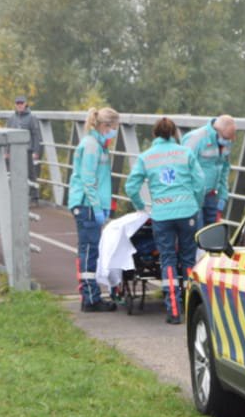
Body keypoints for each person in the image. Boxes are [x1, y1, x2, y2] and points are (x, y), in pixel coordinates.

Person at [124, 117, 205, 325]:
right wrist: (195, 204)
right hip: (187, 212)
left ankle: (174, 311)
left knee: (167, 260)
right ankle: (191, 306)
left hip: (162, 215)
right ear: (174, 133)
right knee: (188, 259)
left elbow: (131, 186)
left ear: (155, 134)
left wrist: (141, 206)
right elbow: (200, 182)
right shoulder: (185, 153)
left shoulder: (146, 157)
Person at [67, 106, 120, 312]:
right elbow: (88, 179)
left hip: (90, 204)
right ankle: (90, 298)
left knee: (89, 250)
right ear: (105, 126)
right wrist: (98, 208)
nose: (114, 132)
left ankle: (90, 295)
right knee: (89, 251)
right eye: (113, 127)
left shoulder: (98, 145)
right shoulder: (91, 146)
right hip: (87, 205)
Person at [181, 114, 235, 228]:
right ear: (217, 130)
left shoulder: (226, 141)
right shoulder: (195, 139)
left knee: (212, 231)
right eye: (226, 138)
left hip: (212, 195)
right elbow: (182, 168)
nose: (228, 141)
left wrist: (223, 196)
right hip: (194, 196)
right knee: (197, 231)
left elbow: (224, 170)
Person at [6, 95, 45, 204]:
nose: (19, 105)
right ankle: (16, 195)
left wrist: (36, 151)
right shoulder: (11, 118)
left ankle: (34, 197)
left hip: (28, 151)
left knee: (31, 174)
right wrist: (7, 151)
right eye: (17, 103)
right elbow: (8, 135)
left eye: (21, 103)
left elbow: (36, 135)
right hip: (14, 150)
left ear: (25, 104)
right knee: (14, 173)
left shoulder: (32, 117)